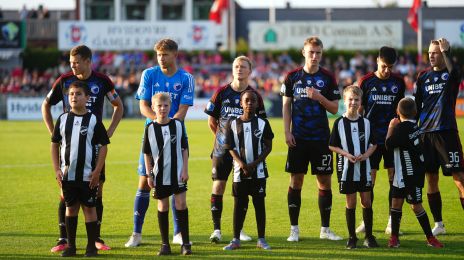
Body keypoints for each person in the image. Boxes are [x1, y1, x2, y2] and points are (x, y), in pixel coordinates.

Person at [42, 44, 123, 252]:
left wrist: (110, 131)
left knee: (97, 192)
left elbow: (118, 106)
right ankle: (63, 239)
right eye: (70, 62)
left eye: (76, 62)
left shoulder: (102, 81)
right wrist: (55, 133)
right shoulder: (64, 80)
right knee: (65, 191)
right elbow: (46, 105)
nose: (73, 66)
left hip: (93, 145)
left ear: (88, 61)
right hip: (70, 145)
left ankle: (95, 239)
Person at [126, 38, 195, 247]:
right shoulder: (149, 74)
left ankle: (177, 233)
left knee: (176, 185)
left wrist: (169, 125)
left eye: (165, 54)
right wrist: (159, 122)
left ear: (175, 55)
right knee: (145, 183)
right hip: (153, 135)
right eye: (158, 55)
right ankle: (136, 234)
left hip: (175, 135)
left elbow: (183, 109)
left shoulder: (186, 78)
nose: (161, 58)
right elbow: (143, 107)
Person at [281, 36, 342, 242]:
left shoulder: (328, 78)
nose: (315, 56)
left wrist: (319, 97)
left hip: (321, 139)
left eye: (318, 53)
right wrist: (286, 132)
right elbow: (286, 106)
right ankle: (294, 230)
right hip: (298, 138)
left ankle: (325, 229)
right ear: (303, 52)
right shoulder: (292, 77)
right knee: (296, 180)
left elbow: (334, 108)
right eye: (311, 52)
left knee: (324, 181)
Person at [205, 56, 266, 243]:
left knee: (242, 191)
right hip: (222, 150)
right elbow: (212, 121)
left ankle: (239, 230)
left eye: (243, 67)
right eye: (236, 66)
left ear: (250, 71)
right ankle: (217, 230)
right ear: (232, 70)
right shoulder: (221, 92)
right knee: (219, 185)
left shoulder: (254, 96)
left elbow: (262, 124)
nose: (239, 69)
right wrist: (224, 140)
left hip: (246, 152)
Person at [51, 81, 110, 257]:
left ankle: (91, 247)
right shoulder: (62, 119)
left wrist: (97, 171)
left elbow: (104, 146)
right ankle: (71, 246)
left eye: (78, 94)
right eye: (71, 94)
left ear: (87, 98)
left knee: (90, 209)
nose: (74, 97)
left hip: (88, 175)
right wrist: (56, 169)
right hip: (68, 175)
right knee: (71, 208)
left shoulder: (93, 120)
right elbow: (54, 144)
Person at [414, 38, 464, 236]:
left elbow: (456, 72)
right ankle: (439, 224)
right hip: (426, 135)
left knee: (460, 178)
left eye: (436, 52)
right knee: (431, 179)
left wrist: (447, 52)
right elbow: (417, 105)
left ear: (443, 55)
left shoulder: (450, 74)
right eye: (430, 52)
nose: (431, 56)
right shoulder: (422, 76)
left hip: (446, 133)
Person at [356, 46, 406, 235]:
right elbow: (359, 111)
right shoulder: (366, 81)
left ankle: (392, 221)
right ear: (377, 60)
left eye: (390, 67)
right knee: (370, 180)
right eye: (384, 66)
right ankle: (365, 219)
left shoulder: (399, 82)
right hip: (371, 140)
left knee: (394, 179)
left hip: (392, 139)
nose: (387, 71)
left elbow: (401, 112)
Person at [385, 97, 443, 248]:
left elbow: (388, 144)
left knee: (409, 205)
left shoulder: (400, 129)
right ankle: (397, 237)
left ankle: (426, 238)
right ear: (415, 112)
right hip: (412, 175)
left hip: (406, 175)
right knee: (404, 204)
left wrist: (391, 127)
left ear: (398, 112)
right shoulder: (416, 128)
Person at [222, 90, 274, 251]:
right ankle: (236, 239)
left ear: (258, 104)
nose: (250, 103)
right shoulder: (232, 122)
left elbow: (268, 146)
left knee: (259, 204)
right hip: (239, 172)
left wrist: (254, 164)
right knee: (239, 205)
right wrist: (243, 165)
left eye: (253, 101)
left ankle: (261, 239)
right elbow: (230, 147)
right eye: (247, 101)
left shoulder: (263, 123)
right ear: (241, 103)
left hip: (258, 172)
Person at [329, 86, 378, 249]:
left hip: (364, 167)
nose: (353, 102)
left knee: (366, 201)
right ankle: (352, 237)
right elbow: (332, 145)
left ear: (361, 102)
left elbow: (374, 144)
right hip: (347, 170)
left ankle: (369, 236)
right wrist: (346, 154)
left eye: (356, 100)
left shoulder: (367, 123)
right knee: (350, 202)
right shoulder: (339, 123)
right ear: (345, 101)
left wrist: (366, 155)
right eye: (350, 99)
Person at [144, 93, 192, 255]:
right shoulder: (150, 128)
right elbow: (147, 153)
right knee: (163, 206)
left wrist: (185, 169)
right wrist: (149, 174)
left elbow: (184, 149)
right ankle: (165, 244)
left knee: (181, 205)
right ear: (153, 108)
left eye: (166, 106)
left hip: (177, 173)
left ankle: (185, 244)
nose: (163, 109)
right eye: (159, 106)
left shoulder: (177, 125)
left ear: (170, 107)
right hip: (159, 175)